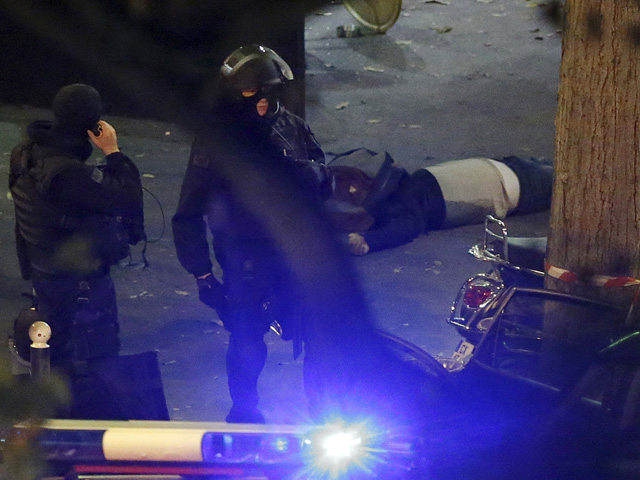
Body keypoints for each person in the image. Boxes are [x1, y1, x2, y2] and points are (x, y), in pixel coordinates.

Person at [172, 45, 331, 423]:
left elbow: (323, 177)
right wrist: (202, 272)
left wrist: (307, 175)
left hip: (297, 253)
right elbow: (189, 210)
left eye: (265, 93)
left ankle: (326, 417)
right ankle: (244, 414)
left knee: (321, 339)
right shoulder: (218, 140)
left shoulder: (292, 125)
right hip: (246, 258)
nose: (259, 102)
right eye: (249, 94)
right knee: (246, 339)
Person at [9, 83, 145, 370]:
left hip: (41, 269)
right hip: (77, 281)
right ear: (93, 122)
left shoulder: (25, 153)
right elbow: (128, 195)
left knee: (54, 351)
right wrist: (112, 152)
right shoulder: (69, 175)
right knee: (89, 361)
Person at [324, 149, 553, 255]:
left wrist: (367, 241)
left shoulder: (401, 206)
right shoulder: (407, 183)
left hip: (518, 185)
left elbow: (404, 228)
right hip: (502, 167)